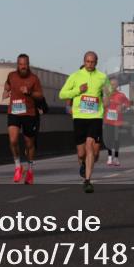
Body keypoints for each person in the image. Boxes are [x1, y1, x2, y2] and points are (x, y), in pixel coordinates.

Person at [59, 51, 109, 193]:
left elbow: (108, 93)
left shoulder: (102, 77)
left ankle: (87, 181)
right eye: (87, 61)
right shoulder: (75, 76)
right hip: (80, 117)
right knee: (81, 153)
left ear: (96, 62)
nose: (90, 64)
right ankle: (83, 164)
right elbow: (62, 94)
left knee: (91, 147)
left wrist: (106, 100)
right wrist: (77, 90)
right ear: (84, 61)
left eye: (92, 62)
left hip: (95, 117)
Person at [2, 53, 43, 185]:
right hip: (14, 112)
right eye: (20, 64)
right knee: (13, 139)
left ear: (28, 64)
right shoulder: (11, 75)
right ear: (17, 65)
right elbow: (7, 85)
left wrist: (29, 93)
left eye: (25, 64)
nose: (23, 67)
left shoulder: (34, 79)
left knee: (29, 144)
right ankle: (18, 166)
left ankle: (30, 170)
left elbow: (40, 96)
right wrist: (5, 91)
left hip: (29, 114)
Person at [103, 77, 131, 166]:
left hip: (117, 121)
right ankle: (109, 157)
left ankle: (116, 158)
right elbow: (101, 106)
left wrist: (123, 106)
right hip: (107, 121)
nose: (113, 86)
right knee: (108, 139)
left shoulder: (121, 95)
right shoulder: (106, 95)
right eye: (111, 84)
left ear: (117, 85)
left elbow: (128, 103)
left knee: (116, 139)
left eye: (114, 84)